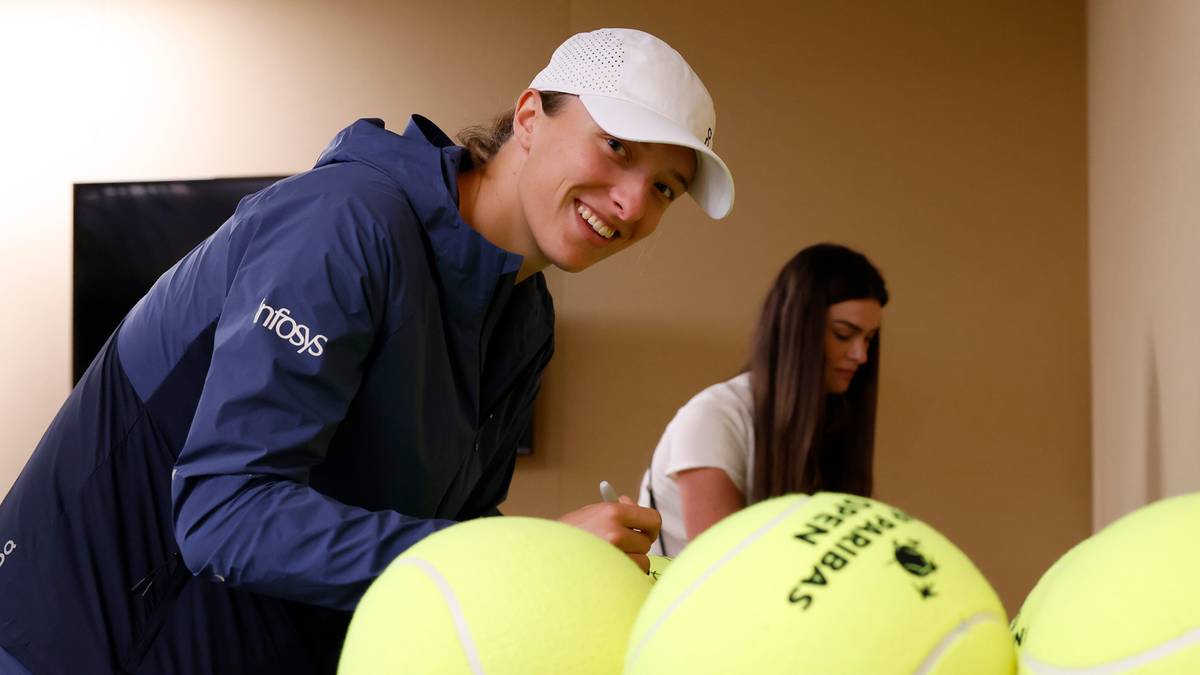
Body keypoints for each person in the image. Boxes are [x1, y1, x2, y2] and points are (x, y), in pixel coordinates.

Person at [0, 28, 734, 674]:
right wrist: (536, 550)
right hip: (73, 648)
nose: (633, 205)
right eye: (617, 148)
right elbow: (225, 513)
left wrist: (566, 565)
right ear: (530, 115)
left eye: (665, 188)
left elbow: (457, 529)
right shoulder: (344, 225)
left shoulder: (525, 316)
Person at [638, 243, 887, 556]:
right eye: (843, 334)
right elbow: (723, 569)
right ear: (798, 329)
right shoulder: (713, 418)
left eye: (868, 339)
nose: (861, 355)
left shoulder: (831, 420)